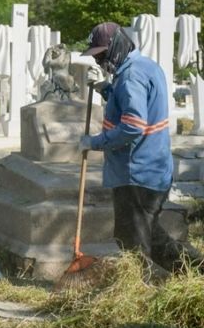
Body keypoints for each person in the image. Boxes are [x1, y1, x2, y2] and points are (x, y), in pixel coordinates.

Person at [80, 22, 202, 274]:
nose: (100, 61)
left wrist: (94, 142)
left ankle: (142, 290)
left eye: (102, 54)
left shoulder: (130, 76)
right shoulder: (144, 66)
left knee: (134, 242)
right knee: (150, 236)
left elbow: (133, 125)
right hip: (153, 167)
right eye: (97, 57)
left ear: (117, 46)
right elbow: (132, 102)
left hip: (136, 171)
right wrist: (106, 88)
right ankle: (196, 270)